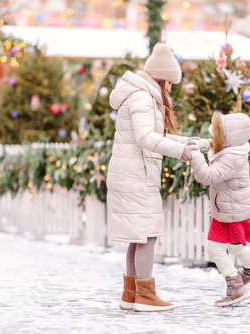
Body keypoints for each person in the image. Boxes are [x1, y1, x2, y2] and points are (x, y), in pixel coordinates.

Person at [107, 43, 199, 312]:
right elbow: (146, 138)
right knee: (147, 235)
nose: (170, 88)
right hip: (136, 176)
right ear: (162, 78)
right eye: (170, 82)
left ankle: (131, 294)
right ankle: (145, 296)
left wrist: (191, 143)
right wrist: (181, 152)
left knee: (139, 235)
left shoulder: (140, 95)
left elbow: (157, 136)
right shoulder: (143, 98)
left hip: (132, 174)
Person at [189, 111, 250, 307]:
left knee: (218, 247)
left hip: (233, 212)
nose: (213, 139)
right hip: (228, 209)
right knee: (235, 246)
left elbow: (207, 176)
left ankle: (236, 286)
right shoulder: (231, 150)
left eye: (217, 135)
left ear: (227, 138)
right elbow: (214, 146)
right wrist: (201, 144)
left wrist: (195, 155)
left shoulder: (232, 158)